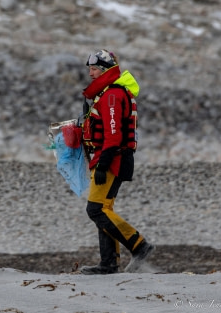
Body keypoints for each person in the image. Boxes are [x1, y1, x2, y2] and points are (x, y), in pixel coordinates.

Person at [79, 49, 154, 274]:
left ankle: (139, 246)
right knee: (104, 208)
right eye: (90, 69)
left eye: (94, 69)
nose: (90, 74)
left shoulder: (112, 94)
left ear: (104, 70)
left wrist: (103, 164)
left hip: (112, 159)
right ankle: (109, 263)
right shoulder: (106, 94)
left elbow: (113, 134)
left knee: (96, 209)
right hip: (108, 157)